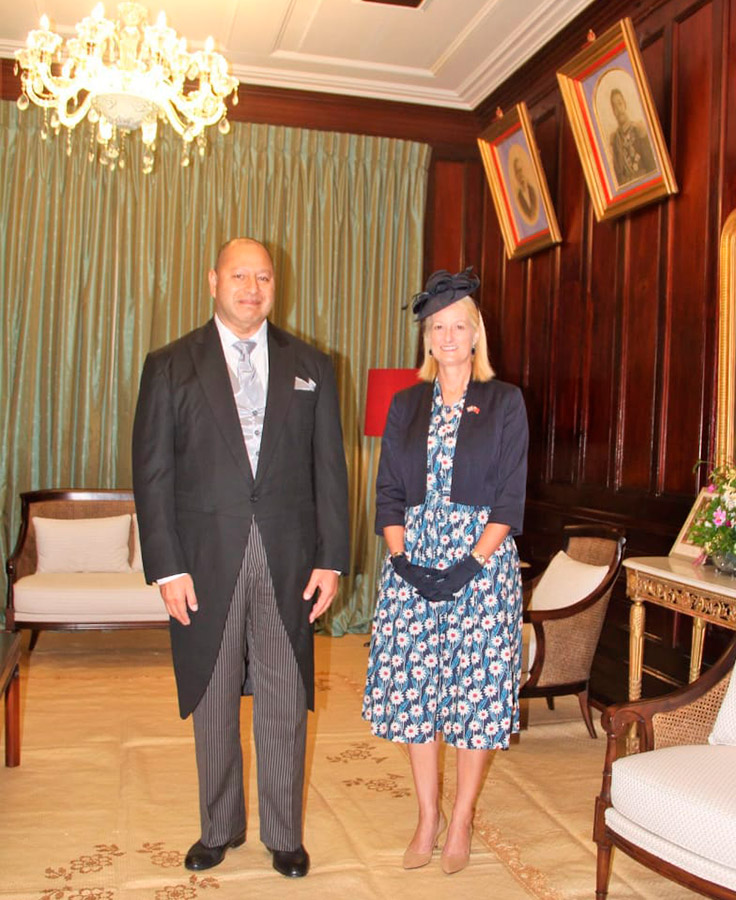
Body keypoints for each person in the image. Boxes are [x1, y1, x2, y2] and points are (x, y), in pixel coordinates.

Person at [132, 237, 349, 879]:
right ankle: (219, 828)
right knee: (214, 695)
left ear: (274, 285)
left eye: (263, 277)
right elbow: (153, 474)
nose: (251, 288)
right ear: (212, 281)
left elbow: (329, 472)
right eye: (238, 275)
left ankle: (284, 835)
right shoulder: (169, 365)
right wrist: (166, 567)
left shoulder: (313, 364)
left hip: (287, 555)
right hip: (203, 560)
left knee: (285, 695)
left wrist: (331, 558)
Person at [362, 268, 528, 875]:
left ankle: (459, 823)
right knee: (417, 694)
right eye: (439, 327)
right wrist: (402, 558)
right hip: (414, 564)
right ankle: (426, 816)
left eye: (460, 325)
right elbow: (387, 494)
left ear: (476, 333)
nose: (450, 336)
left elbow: (510, 500)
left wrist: (469, 565)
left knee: (474, 693)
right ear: (427, 338)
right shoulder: (405, 403)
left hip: (480, 566)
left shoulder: (506, 401)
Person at [608, 87, 656, 186]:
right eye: (614, 107)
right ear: (613, 111)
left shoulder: (639, 130)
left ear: (625, 104)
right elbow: (618, 177)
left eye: (620, 104)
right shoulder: (615, 140)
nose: (618, 109)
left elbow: (652, 166)